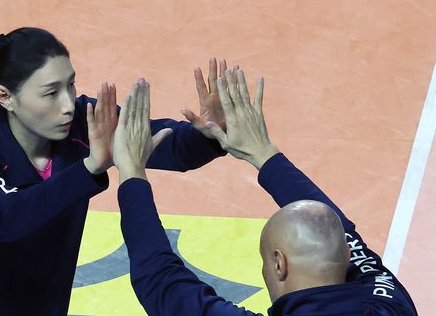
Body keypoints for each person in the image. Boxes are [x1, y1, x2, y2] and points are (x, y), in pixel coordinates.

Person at [0, 27, 229, 315]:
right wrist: (89, 169)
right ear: (5, 97)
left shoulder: (83, 123)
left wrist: (211, 133)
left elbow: (165, 143)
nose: (67, 105)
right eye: (51, 93)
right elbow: (7, 218)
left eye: (71, 85)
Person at [112, 68, 418, 315]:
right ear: (348, 255)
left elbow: (162, 283)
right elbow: (333, 229)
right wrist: (263, 154)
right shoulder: (390, 302)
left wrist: (131, 171)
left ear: (279, 264)